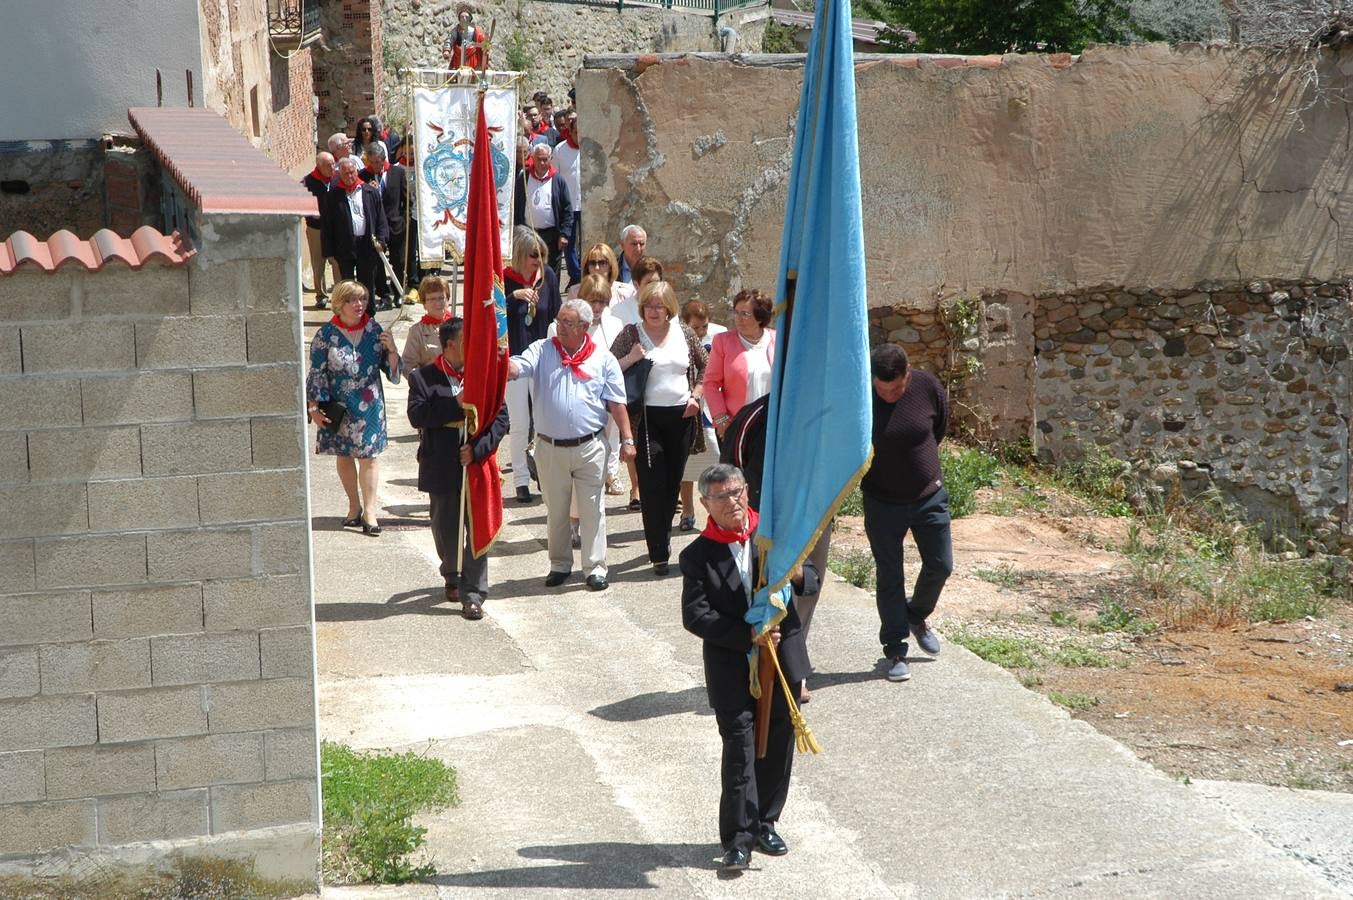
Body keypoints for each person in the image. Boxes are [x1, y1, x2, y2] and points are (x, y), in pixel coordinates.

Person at [680, 463, 817, 871]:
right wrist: (748, 636)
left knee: (777, 743)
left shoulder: (773, 537)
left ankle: (765, 824)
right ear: (705, 503)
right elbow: (695, 616)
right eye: (721, 497)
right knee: (739, 749)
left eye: (737, 492)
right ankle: (737, 839)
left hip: (782, 657)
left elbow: (810, 578)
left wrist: (793, 575)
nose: (733, 502)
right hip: (731, 665)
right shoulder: (697, 555)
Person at [507, 299, 637, 591]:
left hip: (590, 445)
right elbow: (518, 367)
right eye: (559, 320)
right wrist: (503, 359)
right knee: (556, 509)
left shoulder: (604, 359)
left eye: (567, 322)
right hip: (549, 447)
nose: (559, 327)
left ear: (584, 327)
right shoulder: (543, 349)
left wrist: (627, 439)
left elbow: (617, 402)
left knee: (593, 508)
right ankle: (560, 564)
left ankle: (595, 568)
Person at [720, 392, 830, 705]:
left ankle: (795, 668)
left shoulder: (825, 413)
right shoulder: (755, 414)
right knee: (769, 589)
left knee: (806, 586)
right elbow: (732, 465)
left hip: (814, 513)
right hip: (766, 519)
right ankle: (764, 658)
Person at [406, 318, 510, 620]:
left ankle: (473, 594)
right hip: (440, 465)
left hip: (476, 466)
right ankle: (451, 574)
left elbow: (501, 419)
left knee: (477, 530)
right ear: (451, 344)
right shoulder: (424, 377)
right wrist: (456, 403)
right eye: (469, 340)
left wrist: (477, 451)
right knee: (445, 529)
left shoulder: (484, 376)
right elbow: (417, 416)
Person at [863, 343, 952, 683]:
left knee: (941, 565)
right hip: (882, 501)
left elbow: (938, 428)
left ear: (908, 373)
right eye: (883, 390)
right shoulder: (862, 398)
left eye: (897, 388)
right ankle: (896, 648)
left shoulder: (928, 386)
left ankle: (916, 615)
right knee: (890, 576)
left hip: (928, 495)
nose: (890, 396)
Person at [609, 281, 707, 575]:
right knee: (652, 486)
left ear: (669, 308)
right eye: (649, 305)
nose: (654, 311)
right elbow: (608, 366)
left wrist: (696, 396)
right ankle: (659, 552)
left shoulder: (684, 333)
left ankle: (661, 537)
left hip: (681, 418)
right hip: (647, 421)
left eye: (659, 305)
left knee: (672, 484)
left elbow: (706, 365)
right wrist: (631, 358)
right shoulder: (631, 334)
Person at [305, 281, 401, 537]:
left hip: (370, 406)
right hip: (339, 406)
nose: (359, 305)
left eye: (363, 300)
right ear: (340, 304)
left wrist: (391, 349)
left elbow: (392, 371)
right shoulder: (325, 335)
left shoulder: (373, 329)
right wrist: (313, 406)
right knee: (344, 455)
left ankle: (370, 510)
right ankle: (353, 505)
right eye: (353, 300)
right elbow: (316, 372)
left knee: (369, 457)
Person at [548, 274, 625, 543]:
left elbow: (616, 364)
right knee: (573, 476)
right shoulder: (563, 328)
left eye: (603, 301)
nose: (598, 307)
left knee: (596, 472)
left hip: (605, 404)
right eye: (593, 300)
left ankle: (590, 530)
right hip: (575, 407)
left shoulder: (616, 325)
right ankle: (572, 522)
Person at [504, 227, 562, 503]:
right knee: (519, 422)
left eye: (541, 255)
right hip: (514, 357)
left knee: (543, 420)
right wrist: (513, 297)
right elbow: (489, 312)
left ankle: (543, 473)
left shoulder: (548, 277)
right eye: (532, 256)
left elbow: (557, 314)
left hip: (542, 355)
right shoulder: (504, 279)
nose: (538, 261)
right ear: (518, 255)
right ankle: (520, 480)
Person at [677, 299, 727, 530]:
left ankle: (719, 510)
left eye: (703, 326)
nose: (700, 332)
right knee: (686, 462)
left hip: (713, 405)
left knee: (717, 460)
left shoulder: (720, 335)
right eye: (695, 327)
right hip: (689, 405)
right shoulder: (677, 337)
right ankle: (687, 510)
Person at [321, 157, 389, 318]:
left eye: (351, 172)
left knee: (367, 284)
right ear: (339, 174)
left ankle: (369, 316)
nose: (349, 176)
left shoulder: (370, 192)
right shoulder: (333, 196)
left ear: (356, 171)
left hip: (367, 245)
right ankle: (347, 316)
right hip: (344, 246)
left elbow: (381, 219)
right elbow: (327, 225)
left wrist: (381, 240)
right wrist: (329, 251)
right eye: (345, 174)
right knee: (347, 284)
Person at [706, 288, 776, 443]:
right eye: (736, 312)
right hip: (735, 425)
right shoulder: (722, 341)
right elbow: (710, 384)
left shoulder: (777, 340)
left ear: (760, 317)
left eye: (745, 314)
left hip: (770, 425)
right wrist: (721, 418)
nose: (738, 318)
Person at [513, 143, 574, 277]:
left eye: (545, 159)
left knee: (550, 272)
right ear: (532, 158)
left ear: (550, 159)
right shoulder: (524, 177)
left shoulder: (558, 180)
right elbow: (516, 205)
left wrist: (564, 234)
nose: (542, 162)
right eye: (539, 159)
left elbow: (567, 209)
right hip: (528, 234)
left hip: (551, 235)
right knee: (529, 271)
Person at [364, 142, 408, 309]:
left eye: (378, 162)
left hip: (395, 225)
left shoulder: (397, 173)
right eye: (372, 162)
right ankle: (384, 296)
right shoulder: (363, 176)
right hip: (376, 229)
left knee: (398, 261)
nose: (376, 166)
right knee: (377, 263)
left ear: (383, 159)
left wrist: (402, 220)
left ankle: (398, 293)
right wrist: (370, 191)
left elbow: (406, 200)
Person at [302, 152, 337, 309]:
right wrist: (310, 213)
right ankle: (321, 295)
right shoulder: (308, 181)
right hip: (316, 228)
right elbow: (299, 202)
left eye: (333, 163)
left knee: (336, 260)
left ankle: (339, 294)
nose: (332, 167)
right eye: (328, 165)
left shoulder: (336, 178)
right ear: (319, 166)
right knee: (318, 263)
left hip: (335, 227)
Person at [552, 109, 582, 285]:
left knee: (584, 242)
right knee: (568, 244)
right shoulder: (560, 150)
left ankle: (583, 272)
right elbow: (556, 177)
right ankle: (576, 274)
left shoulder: (590, 148)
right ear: (570, 131)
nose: (579, 136)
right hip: (568, 205)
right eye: (577, 131)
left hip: (586, 205)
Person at [402, 275, 452, 370]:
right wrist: (423, 383)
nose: (437, 303)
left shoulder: (459, 326)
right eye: (432, 299)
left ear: (448, 300)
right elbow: (408, 365)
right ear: (424, 304)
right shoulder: (416, 331)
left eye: (441, 298)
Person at [568, 242, 635, 308]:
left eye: (602, 263)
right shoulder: (575, 292)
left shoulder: (627, 292)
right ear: (587, 267)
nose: (597, 267)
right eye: (592, 263)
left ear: (611, 266)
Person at [611, 255, 662, 328]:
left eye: (656, 282)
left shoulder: (667, 308)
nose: (653, 287)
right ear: (636, 284)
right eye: (649, 283)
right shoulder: (619, 311)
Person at [442, 3, 487, 69]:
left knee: (472, 77)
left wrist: (486, 44)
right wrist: (447, 50)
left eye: (466, 17)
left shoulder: (476, 31)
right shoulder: (456, 30)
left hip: (472, 59)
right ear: (459, 19)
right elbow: (449, 39)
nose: (464, 19)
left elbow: (482, 41)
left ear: (470, 19)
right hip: (459, 59)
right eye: (462, 17)